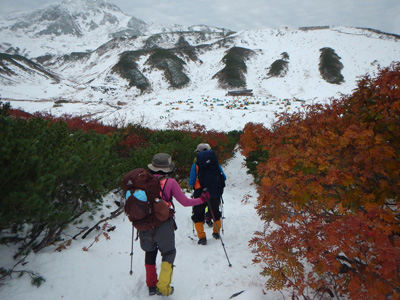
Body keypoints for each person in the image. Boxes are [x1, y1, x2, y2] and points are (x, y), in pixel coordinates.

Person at [138, 153, 209, 296]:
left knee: (150, 252)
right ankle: (163, 287)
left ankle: (151, 285)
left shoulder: (142, 181)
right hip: (163, 222)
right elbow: (185, 202)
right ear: (167, 168)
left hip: (145, 223)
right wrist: (202, 200)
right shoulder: (170, 182)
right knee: (168, 253)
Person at [189, 143, 226, 245]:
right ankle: (216, 232)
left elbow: (191, 182)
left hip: (200, 194)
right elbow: (224, 177)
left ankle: (202, 237)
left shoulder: (195, 165)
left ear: (198, 152)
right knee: (216, 212)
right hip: (214, 192)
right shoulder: (215, 164)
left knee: (198, 215)